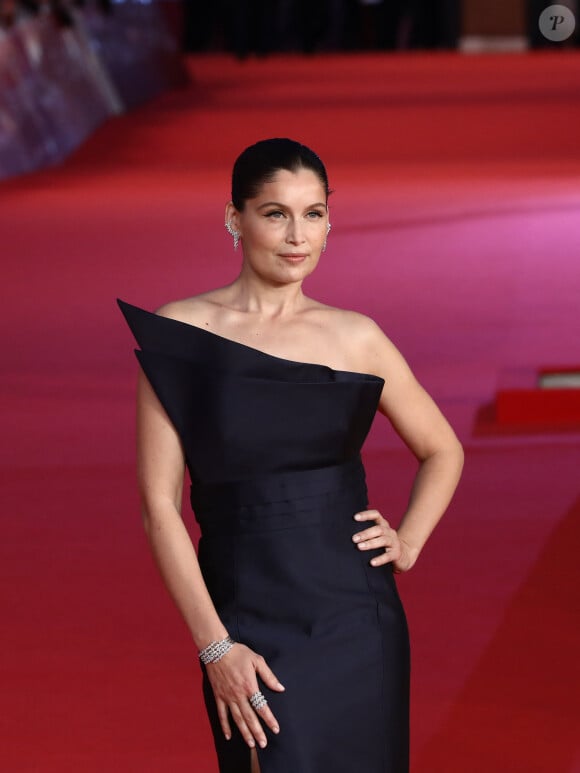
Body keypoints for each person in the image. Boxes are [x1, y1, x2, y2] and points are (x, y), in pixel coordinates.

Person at [118, 137, 464, 773]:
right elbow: (157, 505)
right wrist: (215, 646)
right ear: (234, 218)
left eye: (314, 213)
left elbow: (443, 449)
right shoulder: (183, 336)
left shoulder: (356, 336)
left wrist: (408, 542)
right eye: (275, 213)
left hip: (356, 616)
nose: (297, 235)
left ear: (331, 219)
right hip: (244, 611)